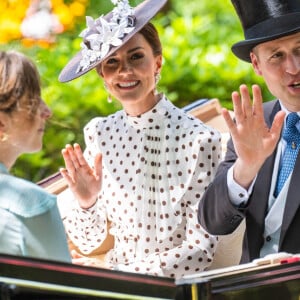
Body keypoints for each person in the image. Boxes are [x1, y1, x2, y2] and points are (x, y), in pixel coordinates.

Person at [57, 0, 221, 278]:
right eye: (112, 63)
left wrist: (118, 272)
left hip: (173, 289)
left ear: (157, 62)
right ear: (102, 76)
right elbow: (87, 243)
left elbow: (200, 250)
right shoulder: (99, 134)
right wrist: (88, 202)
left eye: (135, 57)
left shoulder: (200, 139)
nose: (124, 72)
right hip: (113, 283)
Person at [198, 0, 300, 264]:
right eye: (276, 55)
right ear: (256, 64)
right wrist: (246, 167)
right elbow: (213, 222)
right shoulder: (253, 124)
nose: (293, 68)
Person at [0, 50, 71, 263]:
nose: (47, 111)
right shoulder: (32, 205)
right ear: (2, 123)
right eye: (34, 99)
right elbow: (62, 293)